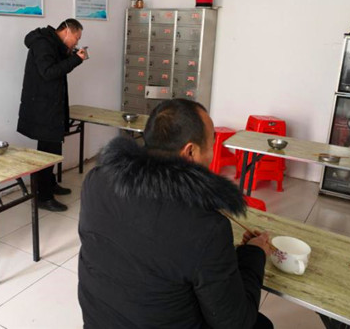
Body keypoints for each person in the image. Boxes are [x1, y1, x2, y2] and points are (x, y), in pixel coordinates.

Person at [78, 99, 273, 328]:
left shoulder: (95, 181)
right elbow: (235, 323)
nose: (212, 153)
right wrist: (254, 254)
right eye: (211, 145)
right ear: (190, 151)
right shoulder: (206, 228)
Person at [17, 18, 88, 212]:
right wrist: (75, 60)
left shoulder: (52, 44)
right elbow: (48, 72)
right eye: (76, 38)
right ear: (67, 31)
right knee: (47, 152)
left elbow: (56, 67)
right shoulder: (43, 44)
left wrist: (70, 55)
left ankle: (50, 183)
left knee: (53, 149)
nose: (77, 42)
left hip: (51, 105)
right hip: (42, 108)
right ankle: (43, 197)